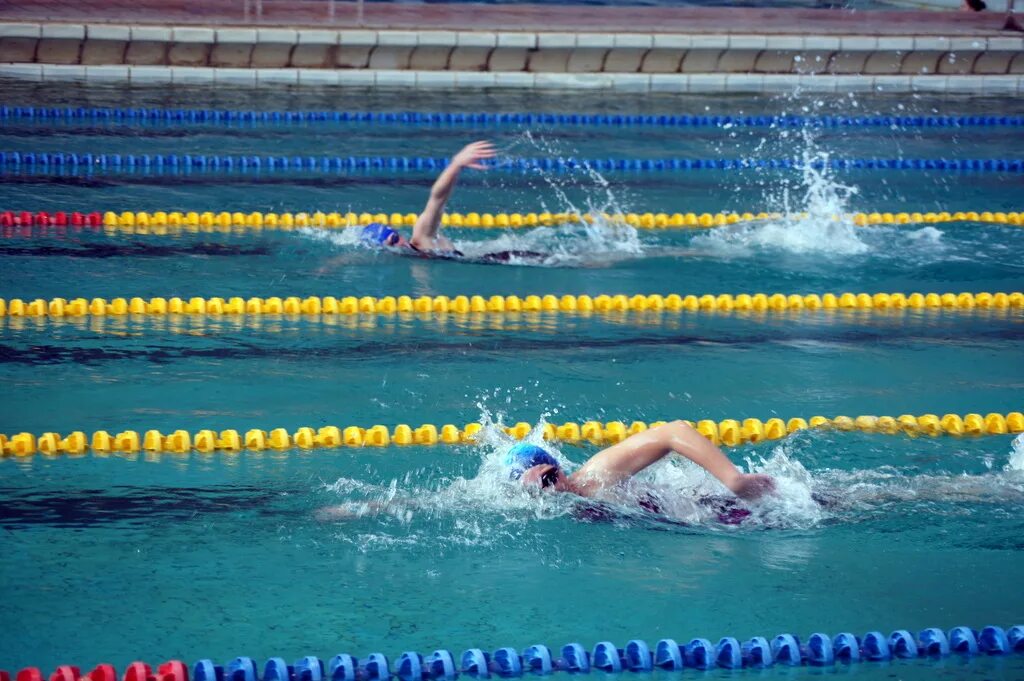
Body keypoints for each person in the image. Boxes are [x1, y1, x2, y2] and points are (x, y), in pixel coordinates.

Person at [360, 141, 545, 264]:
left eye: (394, 239)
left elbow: (437, 199)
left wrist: (456, 165)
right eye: (390, 245)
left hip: (505, 258)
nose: (397, 244)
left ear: (398, 233)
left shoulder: (420, 238)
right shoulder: (415, 257)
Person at [510, 420, 775, 504]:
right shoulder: (574, 506)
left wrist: (734, 482)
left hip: (728, 508)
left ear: (553, 472)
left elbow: (675, 431)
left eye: (544, 482)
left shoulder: (598, 473)